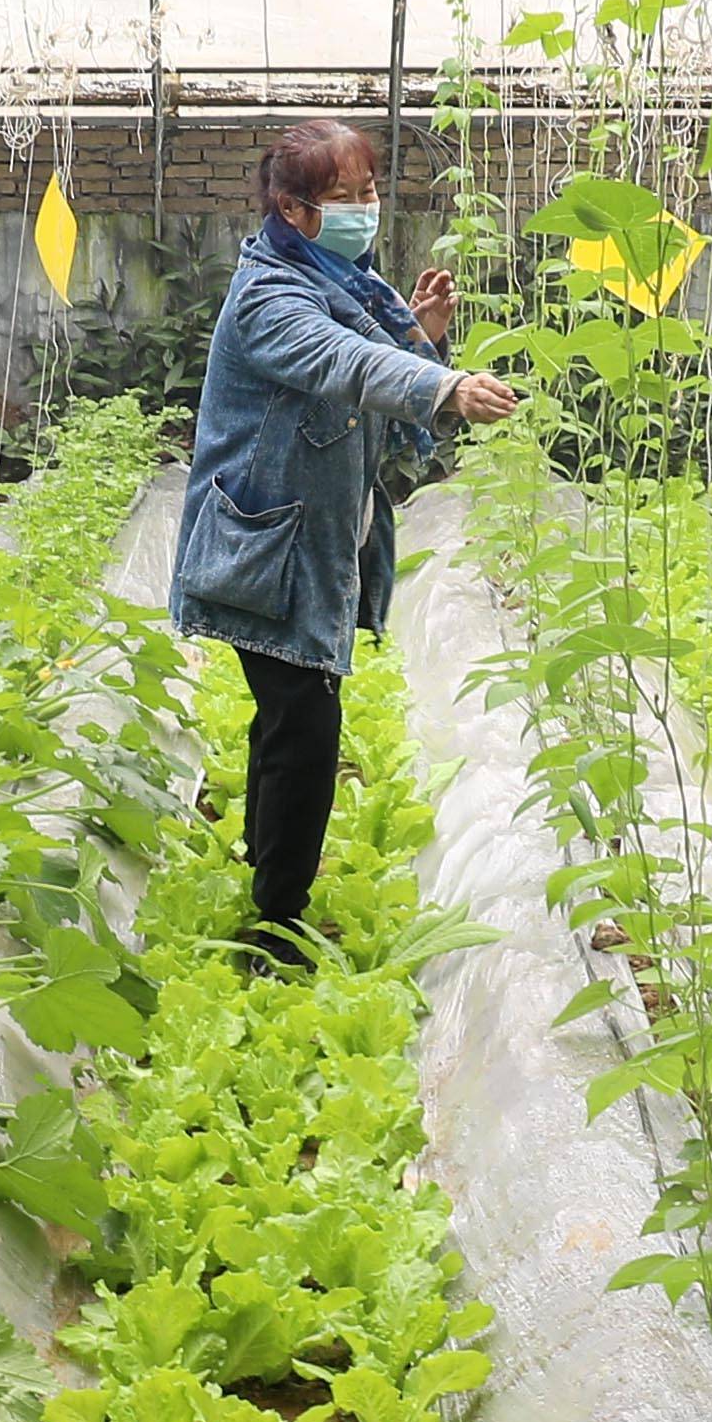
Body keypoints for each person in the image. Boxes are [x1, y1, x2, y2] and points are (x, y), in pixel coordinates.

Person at [173, 116, 520, 954]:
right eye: (346, 197)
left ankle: (266, 870)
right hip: (267, 550)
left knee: (288, 716)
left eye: (370, 191)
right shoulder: (269, 297)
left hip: (313, 537)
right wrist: (443, 383)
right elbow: (344, 364)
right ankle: (278, 924)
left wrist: (426, 336)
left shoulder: (346, 277)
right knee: (305, 730)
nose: (366, 208)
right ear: (292, 210)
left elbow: (371, 352)